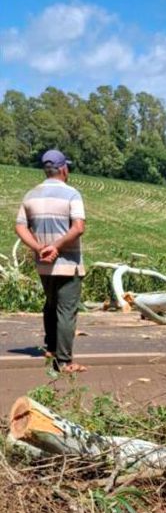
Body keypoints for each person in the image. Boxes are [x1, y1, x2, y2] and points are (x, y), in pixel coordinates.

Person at [15, 149, 87, 374]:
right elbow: (78, 227)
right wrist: (56, 246)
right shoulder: (72, 194)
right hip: (68, 262)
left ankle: (51, 348)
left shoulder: (31, 195)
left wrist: (39, 248)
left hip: (43, 263)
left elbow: (20, 226)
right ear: (64, 169)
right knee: (66, 310)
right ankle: (64, 362)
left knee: (50, 303)